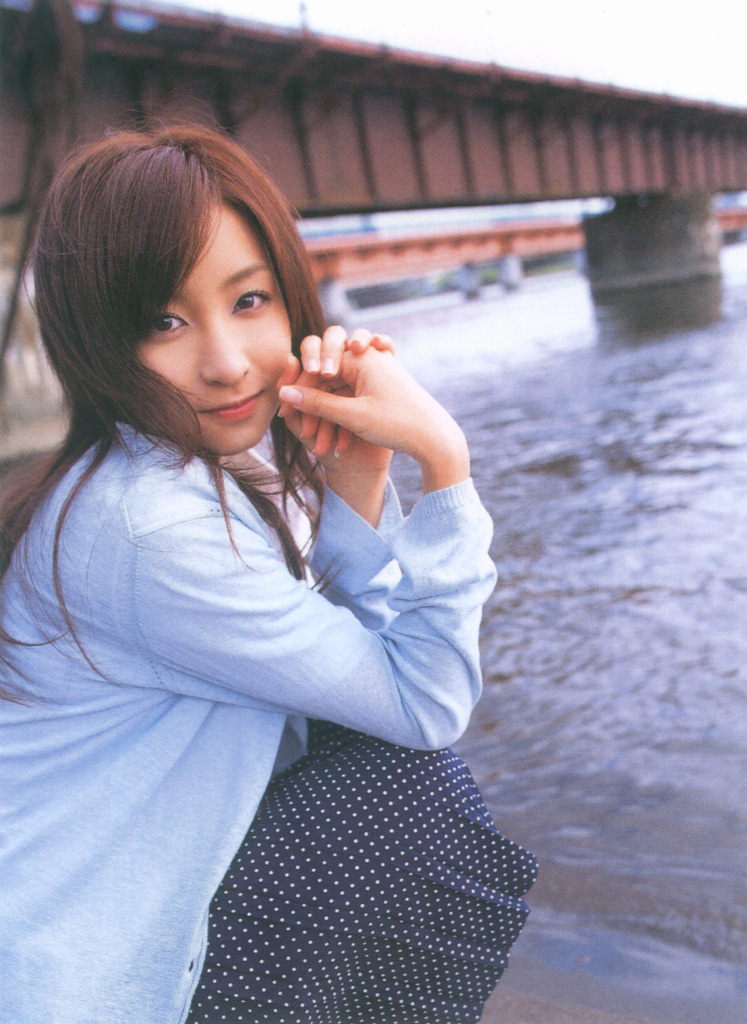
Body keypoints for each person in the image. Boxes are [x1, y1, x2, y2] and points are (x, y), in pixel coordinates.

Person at [0, 124, 537, 1024]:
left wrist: (357, 484)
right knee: (406, 795)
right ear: (97, 342)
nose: (224, 361)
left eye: (249, 300)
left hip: (90, 918)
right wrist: (444, 462)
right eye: (163, 322)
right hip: (79, 981)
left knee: (366, 765)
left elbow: (347, 683)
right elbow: (424, 704)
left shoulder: (170, 472)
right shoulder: (150, 525)